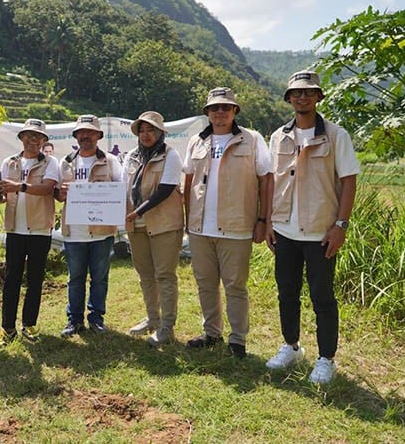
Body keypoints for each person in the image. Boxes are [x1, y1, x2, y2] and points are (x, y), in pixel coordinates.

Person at [264, 71, 359, 384]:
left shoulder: (335, 135)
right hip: (284, 230)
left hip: (320, 231)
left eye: (308, 92)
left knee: (322, 297)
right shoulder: (279, 136)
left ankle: (325, 359)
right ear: (289, 98)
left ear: (319, 97)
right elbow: (271, 183)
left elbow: (348, 181)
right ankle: (291, 346)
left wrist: (340, 225)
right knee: (286, 293)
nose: (302, 97)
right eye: (296, 93)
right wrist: (267, 222)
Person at [183, 88, 271, 358]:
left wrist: (262, 220)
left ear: (235, 111)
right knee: (205, 282)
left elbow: (266, 180)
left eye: (225, 108)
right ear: (207, 113)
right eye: (214, 108)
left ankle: (238, 340)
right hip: (200, 228)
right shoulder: (196, 142)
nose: (219, 112)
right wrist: (188, 220)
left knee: (235, 285)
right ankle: (211, 332)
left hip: (237, 226)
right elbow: (188, 181)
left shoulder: (252, 140)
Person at [56, 114, 124, 336]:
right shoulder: (65, 162)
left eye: (90, 132)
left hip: (102, 233)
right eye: (81, 133)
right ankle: (74, 320)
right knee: (75, 279)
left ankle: (96, 318)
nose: (85, 136)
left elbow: (120, 190)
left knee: (100, 278)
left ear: (98, 136)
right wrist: (61, 193)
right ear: (76, 136)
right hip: (74, 232)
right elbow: (56, 193)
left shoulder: (111, 161)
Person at [0, 119, 60, 346]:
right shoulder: (9, 163)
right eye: (28, 136)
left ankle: (29, 325)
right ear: (21, 138)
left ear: (43, 141)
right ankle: (7, 328)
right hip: (15, 229)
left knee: (35, 279)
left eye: (37, 137)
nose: (32, 140)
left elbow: (48, 188)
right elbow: (4, 193)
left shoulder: (51, 162)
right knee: (11, 278)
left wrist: (18, 186)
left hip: (40, 229)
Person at [123, 111, 184, 346]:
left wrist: (138, 211)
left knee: (165, 275)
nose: (146, 135)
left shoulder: (171, 156)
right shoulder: (131, 156)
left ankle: (167, 326)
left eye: (151, 130)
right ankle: (153, 318)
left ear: (160, 133)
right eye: (142, 130)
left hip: (164, 224)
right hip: (135, 225)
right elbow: (122, 187)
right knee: (145, 274)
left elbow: (165, 189)